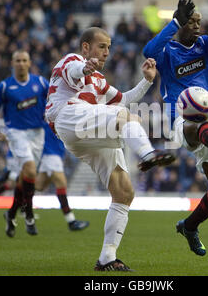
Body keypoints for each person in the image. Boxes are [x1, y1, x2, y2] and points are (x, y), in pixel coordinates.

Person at [45, 26, 176, 271]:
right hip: (68, 116)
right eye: (102, 46)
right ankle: (148, 154)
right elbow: (73, 71)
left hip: (84, 133)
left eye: (109, 47)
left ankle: (107, 258)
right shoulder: (72, 60)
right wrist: (85, 67)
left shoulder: (100, 80)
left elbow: (123, 99)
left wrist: (146, 81)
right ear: (86, 47)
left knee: (124, 191)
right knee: (125, 117)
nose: (107, 52)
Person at [143, 0, 208, 256]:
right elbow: (149, 52)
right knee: (199, 128)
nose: (197, 25)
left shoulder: (203, 46)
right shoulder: (167, 52)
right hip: (179, 116)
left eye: (199, 21)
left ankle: (190, 226)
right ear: (181, 23)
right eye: (192, 21)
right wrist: (172, 24)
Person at [0, 50, 49, 237]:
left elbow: (53, 99)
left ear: (30, 63)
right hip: (16, 134)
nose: (21, 63)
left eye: (24, 60)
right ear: (12, 63)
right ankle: (28, 214)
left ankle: (11, 214)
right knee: (29, 171)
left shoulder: (40, 83)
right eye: (18, 61)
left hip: (38, 134)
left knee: (24, 179)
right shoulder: (5, 87)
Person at [35, 123, 89, 231]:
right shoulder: (49, 113)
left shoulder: (57, 115)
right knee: (61, 183)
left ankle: (14, 206)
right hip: (51, 154)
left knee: (39, 186)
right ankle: (71, 221)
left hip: (52, 154)